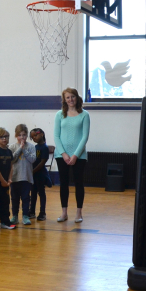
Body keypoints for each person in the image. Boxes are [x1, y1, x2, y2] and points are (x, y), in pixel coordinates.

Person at [53, 87, 90, 223]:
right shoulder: (59, 115)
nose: (70, 100)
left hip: (79, 156)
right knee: (64, 183)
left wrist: (75, 155)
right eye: (67, 97)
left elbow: (85, 136)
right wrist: (63, 154)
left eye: (72, 97)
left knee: (78, 182)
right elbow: (56, 136)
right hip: (61, 155)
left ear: (77, 98)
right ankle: (64, 213)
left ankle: (79, 213)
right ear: (64, 100)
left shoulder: (84, 115)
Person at [9, 124, 36, 226]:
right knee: (15, 198)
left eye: (24, 135)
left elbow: (32, 159)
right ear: (16, 135)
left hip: (26, 177)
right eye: (19, 135)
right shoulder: (12, 147)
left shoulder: (31, 147)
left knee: (25, 198)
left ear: (27, 135)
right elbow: (12, 159)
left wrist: (24, 149)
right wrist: (20, 148)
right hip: (15, 177)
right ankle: (15, 216)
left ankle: (25, 216)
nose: (22, 137)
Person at [29, 128, 51, 221]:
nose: (34, 138)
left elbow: (42, 163)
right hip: (34, 174)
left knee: (41, 193)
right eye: (32, 137)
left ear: (42, 134)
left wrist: (32, 171)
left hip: (40, 174)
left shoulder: (44, 148)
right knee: (33, 193)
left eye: (35, 135)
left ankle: (42, 212)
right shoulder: (35, 147)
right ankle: (32, 211)